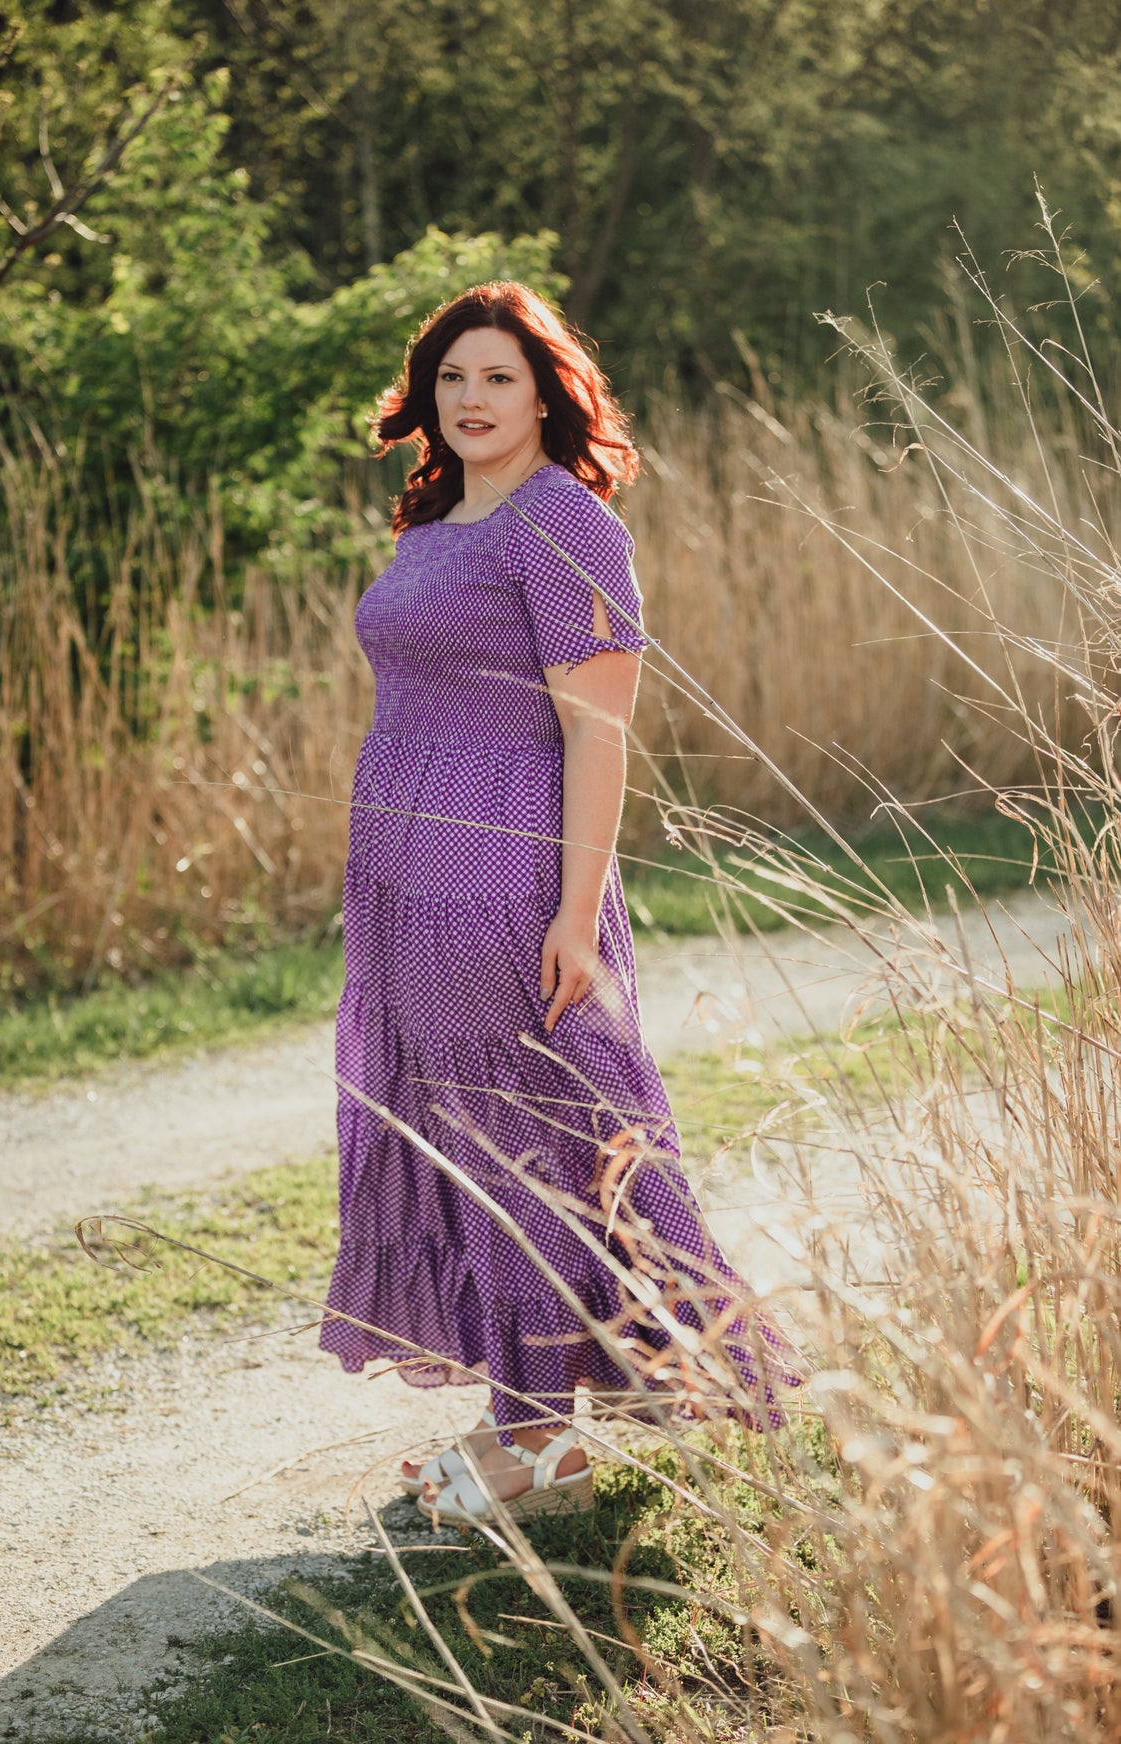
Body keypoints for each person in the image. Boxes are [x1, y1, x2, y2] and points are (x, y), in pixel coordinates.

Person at [318, 282, 799, 1527]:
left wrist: (574, 913)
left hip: (501, 868)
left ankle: (537, 1441)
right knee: (464, 1136)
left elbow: (600, 730)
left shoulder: (561, 521)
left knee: (528, 1138)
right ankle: (525, 1425)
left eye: (500, 380)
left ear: (547, 396)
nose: (472, 401)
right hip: (401, 877)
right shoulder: (436, 521)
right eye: (453, 380)